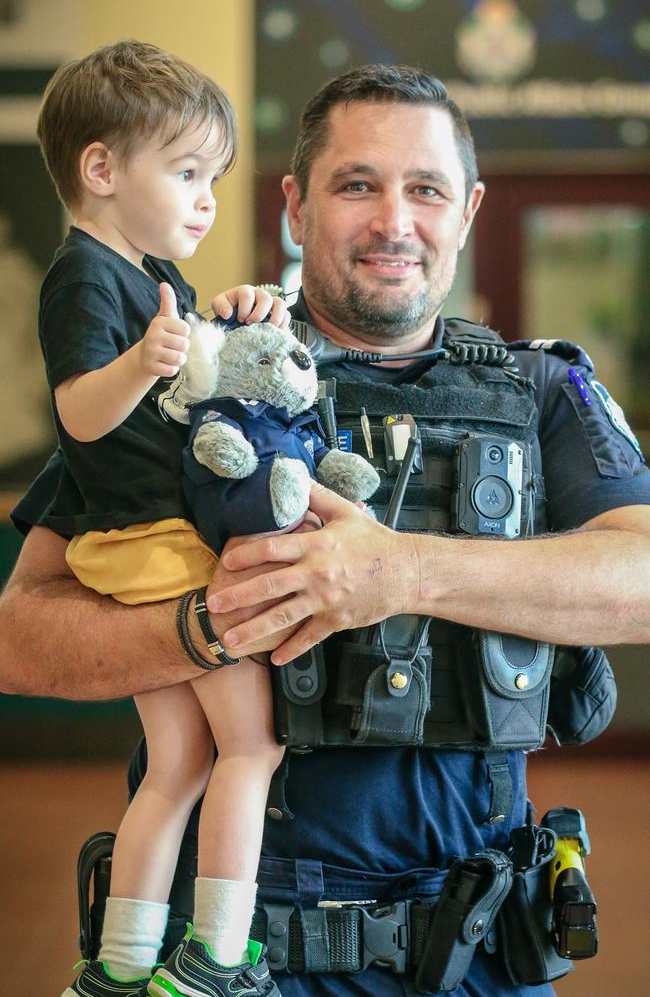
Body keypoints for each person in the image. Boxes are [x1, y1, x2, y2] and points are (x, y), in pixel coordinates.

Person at [3, 63, 650, 997]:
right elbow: (17, 637)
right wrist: (207, 626)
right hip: (226, 962)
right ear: (296, 207)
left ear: (466, 211)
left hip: (470, 955)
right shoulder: (192, 367)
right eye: (357, 184)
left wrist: (402, 574)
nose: (395, 220)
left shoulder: (539, 391)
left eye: (425, 189)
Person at [34, 40, 289, 997]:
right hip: (151, 543)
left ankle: (120, 966)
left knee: (179, 758)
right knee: (253, 746)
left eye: (212, 177)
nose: (206, 198)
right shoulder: (85, 277)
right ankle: (218, 959)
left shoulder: (157, 282)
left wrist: (232, 318)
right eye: (186, 172)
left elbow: (197, 385)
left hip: (150, 539)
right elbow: (78, 416)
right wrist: (144, 360)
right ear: (101, 169)